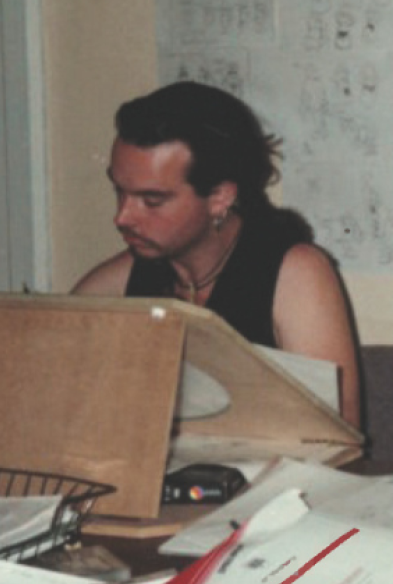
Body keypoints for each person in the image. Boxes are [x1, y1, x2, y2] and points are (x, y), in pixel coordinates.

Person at [73, 81, 362, 429]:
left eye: (151, 201)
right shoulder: (123, 277)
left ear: (220, 197)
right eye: (119, 191)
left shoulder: (295, 273)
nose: (122, 217)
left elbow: (338, 436)